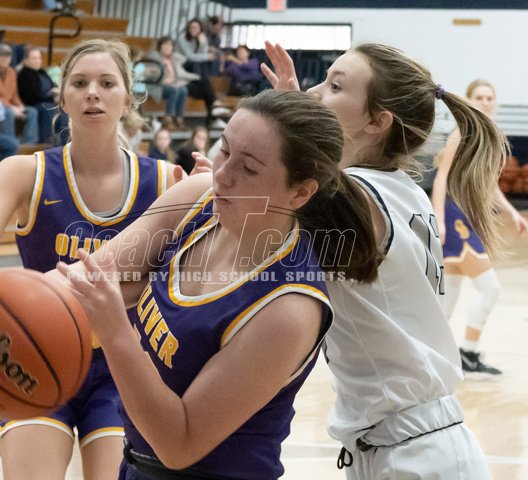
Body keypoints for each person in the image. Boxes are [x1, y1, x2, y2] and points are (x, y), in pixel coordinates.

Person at [55, 88, 380, 479]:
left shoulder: (289, 309)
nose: (222, 175)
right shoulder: (198, 199)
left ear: (300, 191)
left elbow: (179, 443)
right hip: (136, 464)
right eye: (224, 150)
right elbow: (85, 278)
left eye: (249, 168)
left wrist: (115, 331)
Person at [0, 38, 181, 480]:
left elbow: (177, 287)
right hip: (31, 354)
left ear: (128, 99)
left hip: (123, 364)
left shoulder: (166, 181)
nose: (93, 93)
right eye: (80, 83)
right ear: (62, 97)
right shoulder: (24, 172)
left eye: (107, 83)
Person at [263, 41, 508, 479]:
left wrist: (286, 126)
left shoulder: (358, 197)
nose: (314, 93)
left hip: (415, 452)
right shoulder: (399, 189)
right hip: (403, 443)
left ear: (377, 121)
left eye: (335, 86)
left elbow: (264, 202)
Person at [431, 79, 527, 375]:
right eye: (479, 97)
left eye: (489, 97)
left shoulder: (487, 133)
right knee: (490, 288)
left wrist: (512, 212)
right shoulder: (462, 132)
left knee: (450, 294)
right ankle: (467, 352)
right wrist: (438, 220)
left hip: (470, 216)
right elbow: (441, 178)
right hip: (455, 217)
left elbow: (487, 185)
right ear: (469, 100)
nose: (485, 102)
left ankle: (435, 354)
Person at [0, 43, 39, 145]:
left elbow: (14, 95)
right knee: (8, 112)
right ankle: (10, 142)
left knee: (32, 112)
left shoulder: (12, 72)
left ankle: (29, 143)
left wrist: (20, 106)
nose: (5, 58)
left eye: (8, 55)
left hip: (9, 105)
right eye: (2, 55)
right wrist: (12, 108)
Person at [146, 36, 198, 131]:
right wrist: (165, 80)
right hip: (157, 86)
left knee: (183, 90)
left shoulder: (172, 59)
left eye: (170, 44)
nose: (168, 46)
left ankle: (179, 118)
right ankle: (168, 119)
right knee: (175, 90)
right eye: (165, 44)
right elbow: (153, 74)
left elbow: (184, 59)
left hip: (172, 85)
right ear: (160, 46)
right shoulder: (155, 56)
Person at [17, 46, 66, 145]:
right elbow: (31, 97)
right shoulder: (24, 75)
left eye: (39, 58)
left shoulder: (42, 72)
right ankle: (45, 141)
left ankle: (64, 141)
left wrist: (57, 93)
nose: (37, 61)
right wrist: (51, 97)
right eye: (34, 58)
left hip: (48, 101)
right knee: (49, 109)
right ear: (26, 60)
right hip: (34, 104)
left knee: (64, 110)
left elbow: (53, 85)